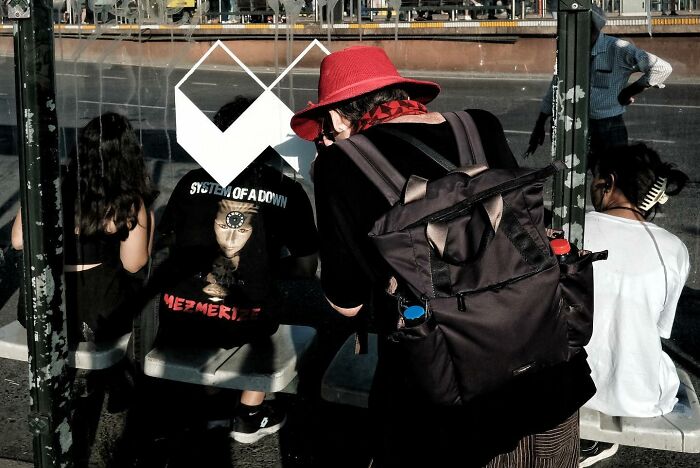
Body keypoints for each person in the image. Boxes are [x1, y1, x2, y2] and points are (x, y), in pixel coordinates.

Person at [291, 45, 595, 468]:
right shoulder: (479, 127)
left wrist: (330, 177)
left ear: (340, 116)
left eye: (327, 129)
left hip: (446, 396)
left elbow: (348, 302)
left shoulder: (339, 165)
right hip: (547, 365)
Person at [153, 96, 319, 444]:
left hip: (178, 320)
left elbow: (167, 245)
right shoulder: (288, 191)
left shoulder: (189, 182)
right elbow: (305, 268)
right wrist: (264, 267)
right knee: (272, 310)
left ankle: (202, 403)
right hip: (248, 322)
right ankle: (248, 414)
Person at [579, 143, 689, 467]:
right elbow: (659, 329)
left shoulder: (575, 229)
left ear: (608, 183)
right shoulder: (673, 249)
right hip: (642, 396)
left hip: (566, 389)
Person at [12, 112, 157, 345]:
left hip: (39, 310)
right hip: (96, 313)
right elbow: (135, 264)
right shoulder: (127, 202)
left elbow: (19, 241)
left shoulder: (53, 184)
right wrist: (147, 218)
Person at [525, 5, 673, 166]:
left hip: (608, 126)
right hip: (573, 125)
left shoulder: (618, 48)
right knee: (570, 173)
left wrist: (630, 90)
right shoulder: (570, 51)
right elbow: (556, 85)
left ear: (589, 27)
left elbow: (661, 68)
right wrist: (539, 124)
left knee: (611, 176)